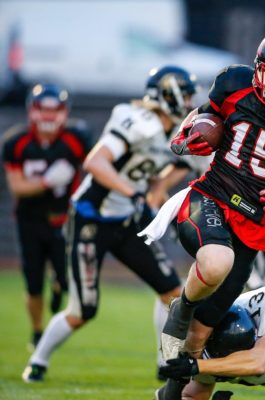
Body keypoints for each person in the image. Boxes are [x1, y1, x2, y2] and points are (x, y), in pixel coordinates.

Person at [141, 30, 265, 367]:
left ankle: (174, 392)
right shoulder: (235, 84)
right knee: (217, 261)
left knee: (199, 339)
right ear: (261, 70)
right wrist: (185, 135)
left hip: (254, 223)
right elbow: (205, 116)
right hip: (211, 196)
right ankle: (184, 306)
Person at [22, 65, 198, 383]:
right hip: (92, 219)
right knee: (82, 310)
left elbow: (177, 167)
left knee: (171, 292)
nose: (188, 102)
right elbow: (95, 161)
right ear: (169, 93)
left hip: (127, 219)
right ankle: (38, 360)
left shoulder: (176, 130)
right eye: (184, 94)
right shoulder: (136, 119)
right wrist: (133, 191)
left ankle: (164, 362)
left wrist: (158, 189)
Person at [2, 83, 92, 351]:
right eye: (44, 110)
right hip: (29, 220)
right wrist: (47, 182)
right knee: (32, 283)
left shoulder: (77, 137)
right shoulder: (16, 142)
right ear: (33, 111)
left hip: (66, 218)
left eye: (56, 110)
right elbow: (16, 186)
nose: (50, 117)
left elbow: (97, 167)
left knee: (66, 279)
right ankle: (38, 330)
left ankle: (58, 286)